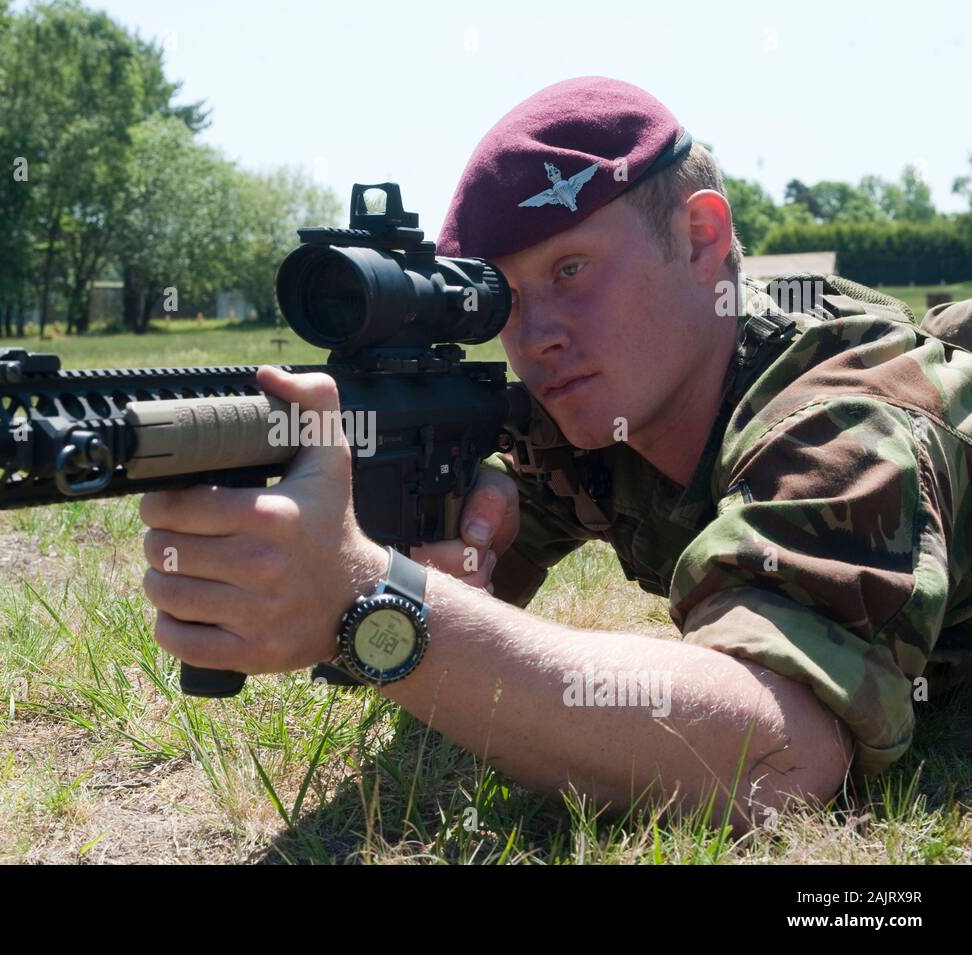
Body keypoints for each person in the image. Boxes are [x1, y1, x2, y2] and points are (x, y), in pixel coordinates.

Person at [137, 76, 972, 832]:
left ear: (701, 237)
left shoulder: (839, 419)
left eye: (571, 268)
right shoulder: (588, 409)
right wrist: (436, 542)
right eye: (508, 295)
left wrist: (374, 602)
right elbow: (486, 568)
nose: (537, 339)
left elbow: (777, 753)